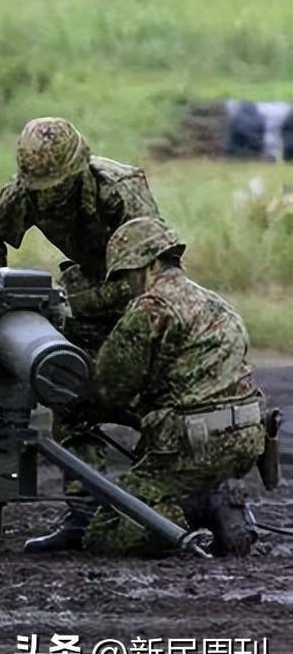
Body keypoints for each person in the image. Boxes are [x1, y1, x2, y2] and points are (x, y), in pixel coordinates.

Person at [0, 117, 164, 550]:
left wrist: (70, 303)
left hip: (138, 307)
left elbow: (151, 272)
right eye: (42, 189)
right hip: (86, 304)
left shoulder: (120, 191)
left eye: (58, 186)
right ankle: (85, 514)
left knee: (155, 407)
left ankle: (182, 499)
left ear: (80, 170)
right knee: (70, 397)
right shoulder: (25, 191)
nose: (49, 196)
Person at [42, 217, 266, 555]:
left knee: (104, 533)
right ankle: (212, 496)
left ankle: (201, 508)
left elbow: (108, 388)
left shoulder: (151, 307)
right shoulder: (215, 302)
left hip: (194, 446)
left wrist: (68, 394)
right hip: (247, 439)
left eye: (126, 275)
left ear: (149, 264)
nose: (126, 286)